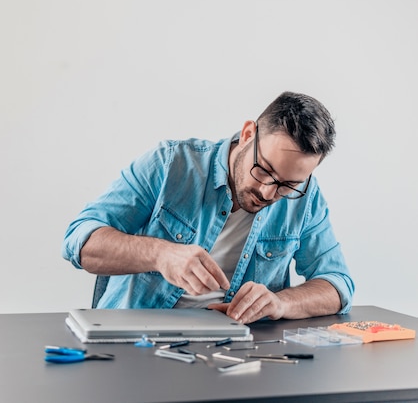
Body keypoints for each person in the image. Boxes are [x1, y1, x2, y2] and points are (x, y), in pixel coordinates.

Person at [62, 91, 354, 324]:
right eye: (263, 170)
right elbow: (79, 240)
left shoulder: (306, 197)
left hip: (236, 353)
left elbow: (338, 284)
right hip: (137, 346)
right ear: (248, 134)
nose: (267, 191)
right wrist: (161, 255)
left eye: (287, 185)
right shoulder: (170, 164)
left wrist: (282, 302)